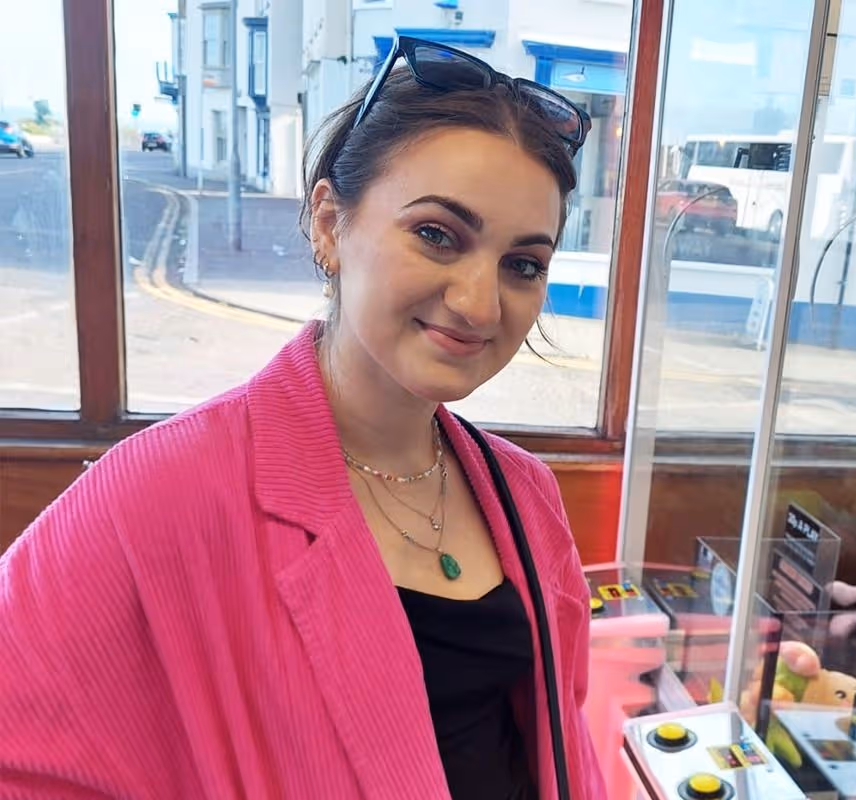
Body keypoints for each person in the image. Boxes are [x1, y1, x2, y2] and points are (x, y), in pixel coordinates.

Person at [0, 36, 604, 800]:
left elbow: (560, 742)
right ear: (329, 223)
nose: (481, 303)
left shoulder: (525, 495)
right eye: (436, 235)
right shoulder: (163, 490)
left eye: (523, 263)